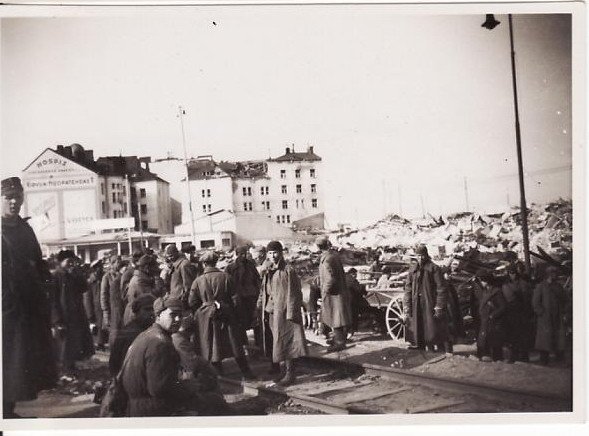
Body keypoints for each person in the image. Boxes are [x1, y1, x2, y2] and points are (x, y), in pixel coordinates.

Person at [2, 176, 57, 418]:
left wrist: (47, 282)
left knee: (20, 362)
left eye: (18, 198)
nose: (14, 202)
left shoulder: (25, 228)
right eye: (8, 198)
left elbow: (37, 260)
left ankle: (9, 410)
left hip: (27, 306)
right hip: (5, 308)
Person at [120, 296, 199, 416]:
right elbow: (159, 388)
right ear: (158, 316)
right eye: (172, 315)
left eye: (180, 315)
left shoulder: (148, 334)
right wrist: (189, 387)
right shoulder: (160, 343)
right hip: (151, 410)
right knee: (211, 403)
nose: (178, 319)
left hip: (137, 406)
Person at [188, 251, 255, 379]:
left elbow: (192, 302)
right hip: (227, 314)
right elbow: (236, 300)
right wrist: (236, 315)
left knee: (212, 344)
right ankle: (247, 373)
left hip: (206, 317)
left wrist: (204, 309)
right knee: (235, 344)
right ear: (216, 262)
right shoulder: (226, 277)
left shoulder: (198, 281)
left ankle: (219, 374)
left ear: (204, 264)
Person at [258, 241, 308, 386]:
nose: (272, 256)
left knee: (288, 342)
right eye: (270, 253)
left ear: (281, 252)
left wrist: (291, 313)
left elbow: (294, 293)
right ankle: (283, 371)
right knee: (278, 342)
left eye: (275, 252)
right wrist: (261, 306)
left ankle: (290, 373)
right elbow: (265, 291)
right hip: (273, 311)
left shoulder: (288, 270)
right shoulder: (269, 270)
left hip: (285, 312)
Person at [172, 314, 232, 416]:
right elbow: (190, 365)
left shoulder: (179, 338)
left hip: (186, 379)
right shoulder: (180, 340)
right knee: (216, 400)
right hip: (186, 383)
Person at [51, 250, 95, 374]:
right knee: (64, 344)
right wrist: (56, 319)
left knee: (75, 342)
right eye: (68, 261)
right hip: (64, 316)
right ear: (61, 262)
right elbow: (53, 300)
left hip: (76, 314)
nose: (71, 264)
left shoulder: (73, 275)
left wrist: (78, 273)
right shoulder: (55, 276)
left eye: (72, 261)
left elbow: (84, 288)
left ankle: (71, 365)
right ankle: (64, 369)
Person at [402, 245, 449, 352]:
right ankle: (421, 350)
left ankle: (436, 351)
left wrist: (439, 306)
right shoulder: (412, 270)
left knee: (433, 331)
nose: (420, 258)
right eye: (418, 256)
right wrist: (407, 305)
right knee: (418, 330)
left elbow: (441, 289)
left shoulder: (434, 269)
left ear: (426, 255)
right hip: (416, 305)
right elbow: (408, 289)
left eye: (422, 255)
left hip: (430, 304)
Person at [316, 236, 353, 352]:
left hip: (333, 293)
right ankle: (339, 338)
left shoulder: (326, 259)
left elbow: (330, 279)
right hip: (339, 291)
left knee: (335, 317)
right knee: (338, 316)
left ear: (318, 247)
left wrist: (325, 291)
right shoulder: (334, 256)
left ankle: (339, 342)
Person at [109, 293, 156, 376]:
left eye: (153, 309)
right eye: (147, 309)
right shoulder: (132, 333)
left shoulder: (147, 329)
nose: (152, 313)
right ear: (137, 312)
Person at [225, 245, 262, 347]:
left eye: (244, 254)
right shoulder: (230, 268)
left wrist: (259, 293)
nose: (243, 256)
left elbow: (257, 280)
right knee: (240, 323)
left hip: (251, 298)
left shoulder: (250, 265)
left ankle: (259, 345)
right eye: (241, 254)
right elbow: (228, 284)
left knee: (256, 322)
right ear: (236, 255)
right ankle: (245, 346)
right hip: (239, 300)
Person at [533, 266, 567, 365]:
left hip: (557, 316)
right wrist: (541, 313)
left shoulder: (558, 287)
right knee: (544, 340)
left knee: (558, 338)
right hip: (545, 317)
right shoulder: (541, 286)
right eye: (553, 273)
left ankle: (559, 359)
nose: (555, 275)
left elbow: (565, 300)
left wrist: (564, 312)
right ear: (548, 274)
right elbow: (535, 302)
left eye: (555, 273)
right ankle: (544, 360)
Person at [501, 266, 534, 362]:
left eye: (514, 273)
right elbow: (507, 298)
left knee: (523, 335)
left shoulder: (523, 284)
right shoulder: (506, 285)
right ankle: (514, 355)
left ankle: (524, 356)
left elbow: (528, 297)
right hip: (511, 312)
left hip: (523, 312)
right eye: (511, 273)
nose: (513, 275)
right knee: (512, 335)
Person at [474, 270, 507, 362]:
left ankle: (497, 359)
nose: (481, 282)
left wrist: (493, 315)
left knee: (495, 343)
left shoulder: (497, 292)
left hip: (493, 322)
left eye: (482, 280)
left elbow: (503, 307)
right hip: (485, 320)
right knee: (484, 341)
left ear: (487, 280)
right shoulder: (485, 291)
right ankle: (485, 358)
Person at [123, 254, 163, 325]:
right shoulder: (139, 280)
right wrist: (158, 280)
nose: (156, 269)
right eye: (154, 267)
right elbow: (150, 298)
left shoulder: (143, 278)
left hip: (138, 316)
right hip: (135, 319)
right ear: (146, 267)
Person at [101, 255, 125, 348]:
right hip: (111, 309)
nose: (120, 264)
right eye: (117, 262)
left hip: (120, 308)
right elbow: (103, 295)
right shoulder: (106, 277)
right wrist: (105, 311)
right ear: (112, 264)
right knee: (114, 333)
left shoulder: (122, 275)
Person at [84, 259, 107, 351]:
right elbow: (87, 299)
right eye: (98, 267)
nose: (100, 269)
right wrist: (89, 314)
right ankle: (98, 344)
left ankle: (101, 343)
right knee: (97, 328)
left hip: (101, 306)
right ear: (94, 269)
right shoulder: (90, 281)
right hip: (95, 308)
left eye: (101, 267)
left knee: (103, 326)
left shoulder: (102, 278)